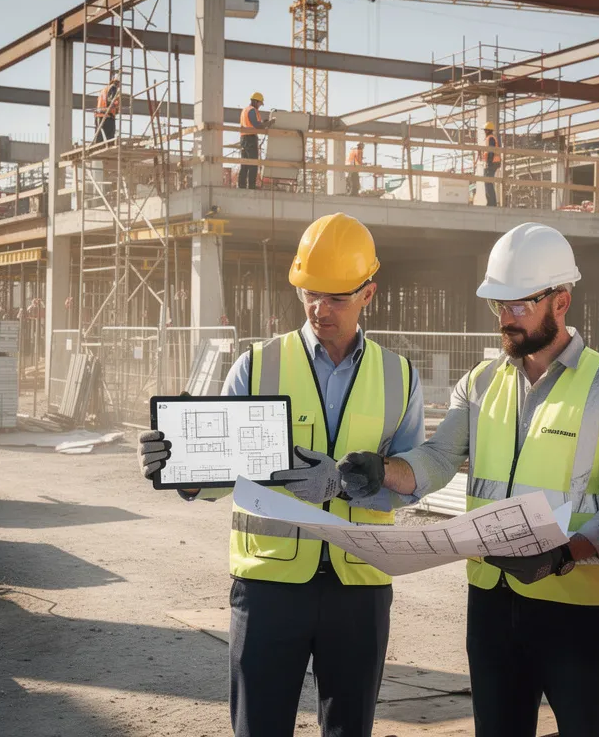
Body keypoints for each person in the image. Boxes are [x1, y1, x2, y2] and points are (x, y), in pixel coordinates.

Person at [340, 222, 599, 737]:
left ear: (560, 301)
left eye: (518, 305)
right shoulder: (481, 383)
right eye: (498, 306)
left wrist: (562, 555)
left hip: (575, 608)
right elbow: (439, 457)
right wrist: (386, 470)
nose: (505, 319)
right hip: (491, 598)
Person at [138, 213, 425, 737]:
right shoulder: (257, 365)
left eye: (336, 297)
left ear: (368, 293)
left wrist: (350, 483)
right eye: (310, 294)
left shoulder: (398, 376)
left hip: (359, 584)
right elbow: (222, 468)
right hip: (269, 584)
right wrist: (182, 467)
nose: (320, 309)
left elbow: (410, 481)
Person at [239, 92, 270, 190]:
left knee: (244, 163)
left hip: (243, 138)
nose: (260, 106)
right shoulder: (252, 110)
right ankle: (251, 186)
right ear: (256, 101)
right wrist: (268, 123)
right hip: (250, 138)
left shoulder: (245, 110)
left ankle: (241, 185)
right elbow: (257, 126)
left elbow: (254, 123)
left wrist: (263, 123)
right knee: (253, 163)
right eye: (260, 103)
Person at [94, 73, 121, 143]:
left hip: (100, 115)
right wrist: (116, 106)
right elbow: (110, 101)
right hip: (107, 117)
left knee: (99, 140)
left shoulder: (105, 89)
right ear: (118, 82)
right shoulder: (113, 87)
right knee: (109, 140)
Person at [482, 121, 501, 207]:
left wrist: (488, 163)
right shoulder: (491, 138)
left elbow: (491, 151)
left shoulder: (490, 138)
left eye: (485, 130)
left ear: (487, 130)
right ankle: (491, 203)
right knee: (488, 183)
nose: (484, 131)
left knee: (488, 183)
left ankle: (491, 203)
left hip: (492, 163)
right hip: (493, 162)